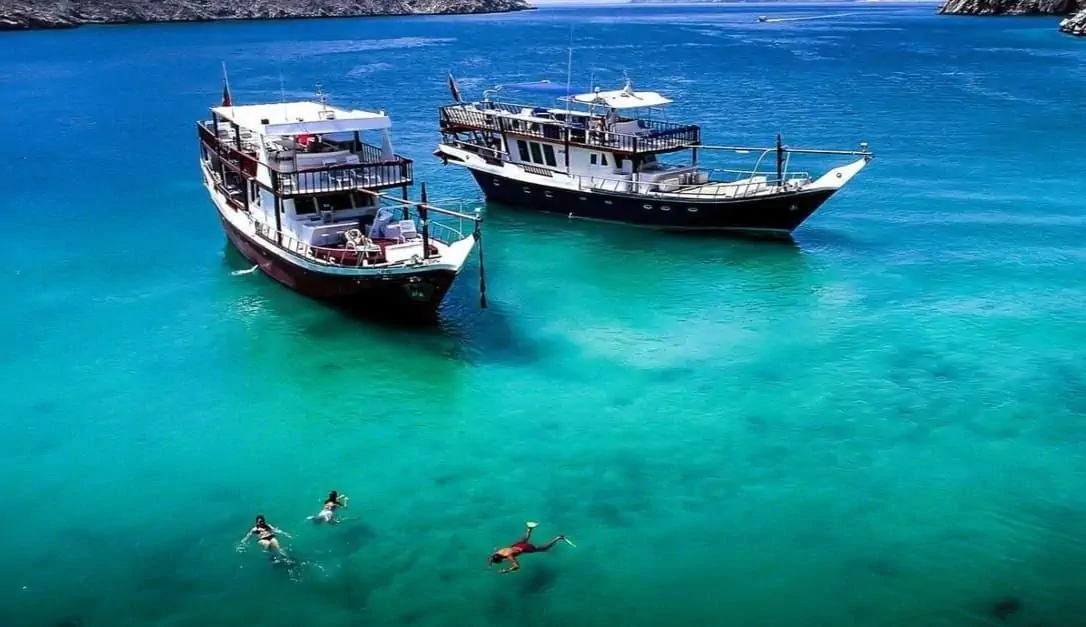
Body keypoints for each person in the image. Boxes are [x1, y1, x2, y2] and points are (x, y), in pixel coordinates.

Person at [488, 521, 567, 574]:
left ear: (500, 558)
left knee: (545, 548)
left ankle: (558, 538)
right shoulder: (498, 552)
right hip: (516, 545)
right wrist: (490, 564)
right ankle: (529, 528)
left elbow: (517, 566)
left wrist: (506, 571)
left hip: (524, 548)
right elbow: (492, 557)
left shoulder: (509, 556)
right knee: (525, 538)